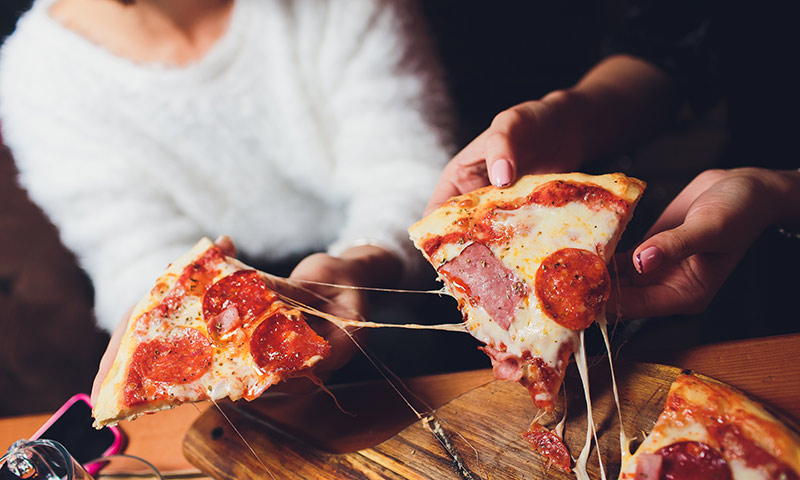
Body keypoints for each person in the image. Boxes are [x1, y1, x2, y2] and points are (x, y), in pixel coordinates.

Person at [0, 0, 452, 391]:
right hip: (218, 322)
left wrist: (358, 265)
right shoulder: (36, 75)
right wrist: (180, 326)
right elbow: (131, 252)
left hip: (403, 283)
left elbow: (409, 176)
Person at [425, 0, 800, 329]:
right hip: (730, 225)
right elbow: (670, 46)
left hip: (748, 215)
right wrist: (567, 118)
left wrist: (783, 191)